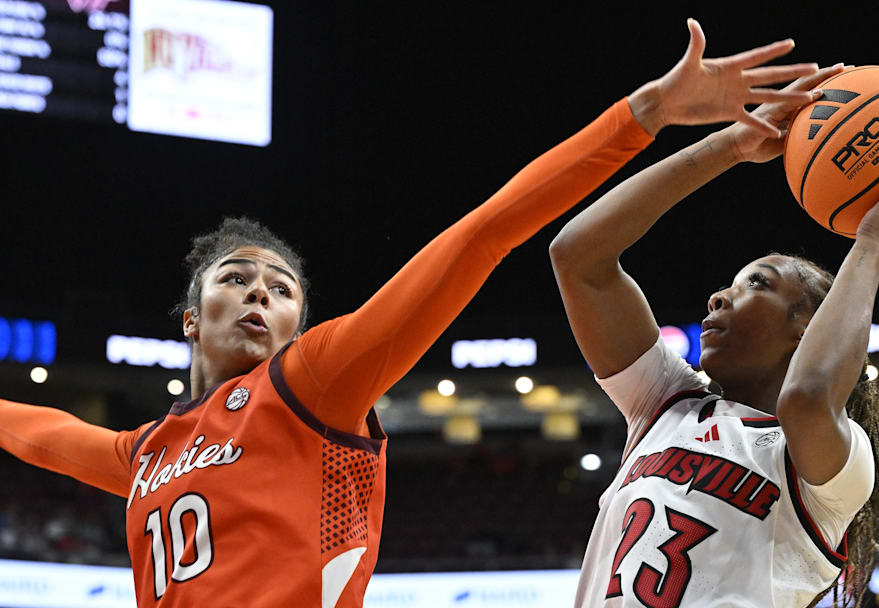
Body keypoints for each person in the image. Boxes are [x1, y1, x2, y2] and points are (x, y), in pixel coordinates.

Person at [0, 20, 821, 607]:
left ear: (299, 326)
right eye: (238, 278)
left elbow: (484, 234)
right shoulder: (145, 451)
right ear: (190, 316)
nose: (261, 293)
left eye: (282, 289)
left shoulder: (312, 381)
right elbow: (34, 432)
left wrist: (638, 116)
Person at [549, 64, 879, 605]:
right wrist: (731, 146)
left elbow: (807, 396)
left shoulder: (836, 463)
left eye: (756, 284)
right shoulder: (665, 405)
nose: (718, 297)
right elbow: (578, 256)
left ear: (806, 327)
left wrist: (873, 243)